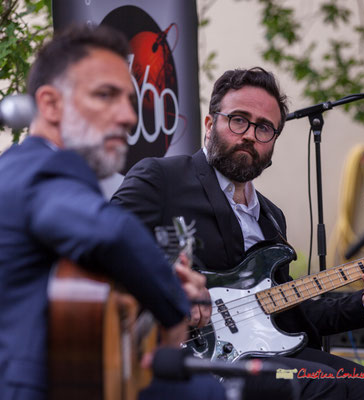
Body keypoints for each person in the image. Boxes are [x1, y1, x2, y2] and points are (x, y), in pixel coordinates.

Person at [112, 67, 364, 399]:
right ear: (210, 125)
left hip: (271, 356)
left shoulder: (271, 218)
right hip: (190, 357)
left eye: (264, 128)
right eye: (238, 120)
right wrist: (169, 289)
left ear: (273, 142)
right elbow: (105, 245)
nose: (250, 134)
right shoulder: (161, 178)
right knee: (335, 390)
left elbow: (294, 311)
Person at [0, 24, 225, 400]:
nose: (127, 116)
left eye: (129, 100)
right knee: (203, 390)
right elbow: (111, 232)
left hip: (68, 371)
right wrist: (174, 303)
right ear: (51, 104)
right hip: (41, 386)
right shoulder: (41, 169)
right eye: (105, 96)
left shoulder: (23, 169)